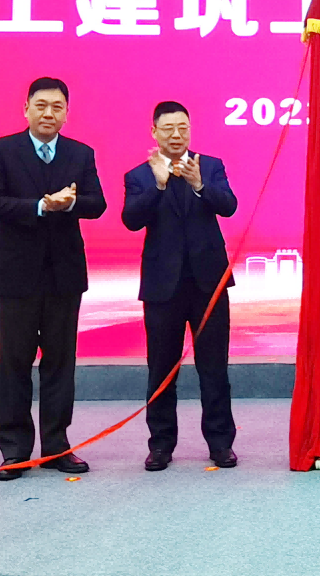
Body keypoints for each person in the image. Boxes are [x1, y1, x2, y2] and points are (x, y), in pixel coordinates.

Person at [0, 76, 106, 481]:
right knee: (13, 364)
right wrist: (39, 206)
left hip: (63, 276)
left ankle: (56, 446)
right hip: (13, 275)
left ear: (67, 114)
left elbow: (98, 204)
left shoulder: (81, 153)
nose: (48, 113)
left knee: (60, 365)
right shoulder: (1, 150)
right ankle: (15, 451)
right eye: (41, 105)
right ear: (26, 109)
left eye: (57, 107)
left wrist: (69, 204)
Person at [122, 101, 240, 471]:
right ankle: (160, 445)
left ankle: (220, 443)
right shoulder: (140, 175)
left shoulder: (211, 166)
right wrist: (158, 184)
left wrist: (200, 184)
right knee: (161, 369)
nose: (176, 135)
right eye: (169, 128)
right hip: (162, 288)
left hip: (209, 284)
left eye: (183, 128)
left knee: (214, 368)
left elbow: (229, 206)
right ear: (154, 132)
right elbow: (131, 219)